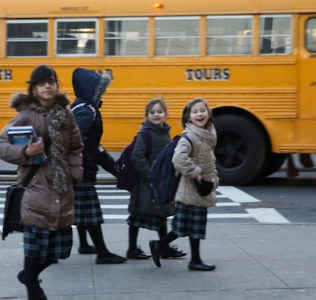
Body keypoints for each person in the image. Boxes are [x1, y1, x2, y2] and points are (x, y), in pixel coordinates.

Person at [0, 65, 84, 299]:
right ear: (33, 89)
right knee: (34, 248)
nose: (48, 86)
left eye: (52, 81)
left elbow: (75, 147)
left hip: (62, 187)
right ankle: (33, 288)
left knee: (58, 251)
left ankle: (28, 276)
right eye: (42, 82)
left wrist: (75, 173)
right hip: (36, 187)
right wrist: (27, 151)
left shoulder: (66, 114)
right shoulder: (25, 116)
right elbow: (0, 146)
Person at [149, 97, 219, 271]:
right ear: (188, 118)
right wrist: (197, 175)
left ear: (208, 114)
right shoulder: (189, 137)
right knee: (185, 227)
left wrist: (213, 181)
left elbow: (209, 161)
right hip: (191, 189)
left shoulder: (209, 135)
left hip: (202, 189)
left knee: (189, 227)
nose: (199, 114)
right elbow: (178, 159)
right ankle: (163, 246)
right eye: (195, 112)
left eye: (203, 110)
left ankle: (188, 257)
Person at [70, 68, 127, 264]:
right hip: (82, 169)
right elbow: (81, 141)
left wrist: (114, 168)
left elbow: (94, 146)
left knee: (82, 210)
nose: (102, 93)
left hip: (80, 167)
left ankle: (84, 244)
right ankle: (102, 252)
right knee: (91, 212)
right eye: (99, 90)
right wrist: (87, 162)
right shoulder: (86, 111)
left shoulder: (81, 107)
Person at [126, 98, 187, 260]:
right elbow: (137, 157)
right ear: (147, 115)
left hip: (159, 181)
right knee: (137, 215)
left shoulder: (164, 133)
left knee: (161, 214)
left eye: (160, 112)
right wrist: (150, 176)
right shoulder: (145, 133)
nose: (156, 115)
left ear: (165, 114)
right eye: (152, 112)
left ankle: (163, 247)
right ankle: (132, 249)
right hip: (146, 182)